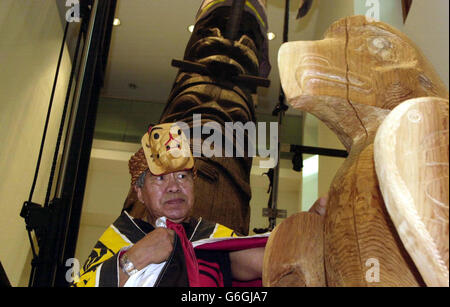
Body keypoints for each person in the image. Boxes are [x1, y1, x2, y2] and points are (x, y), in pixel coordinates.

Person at [75, 123, 268, 287]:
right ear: (140, 192)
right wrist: (135, 258)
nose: (174, 187)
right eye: (160, 179)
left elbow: (270, 266)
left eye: (182, 176)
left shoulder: (215, 239)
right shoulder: (120, 237)